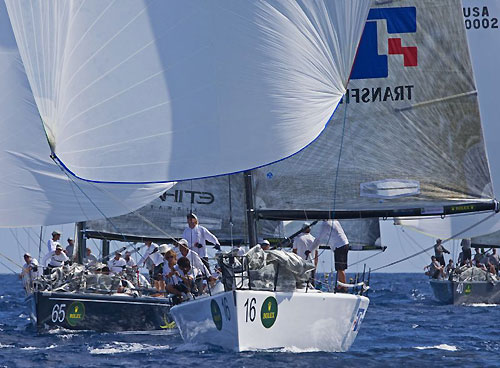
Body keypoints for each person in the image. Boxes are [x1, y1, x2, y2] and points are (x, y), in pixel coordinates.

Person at [312, 220, 349, 290]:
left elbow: (319, 239)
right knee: (340, 268)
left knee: (340, 268)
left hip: (339, 246)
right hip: (343, 244)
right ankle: (341, 285)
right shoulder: (335, 221)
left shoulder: (326, 224)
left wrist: (310, 250)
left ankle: (344, 287)